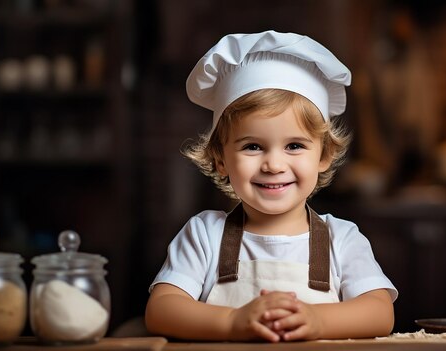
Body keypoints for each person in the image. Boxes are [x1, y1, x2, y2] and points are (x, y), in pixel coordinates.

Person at [145, 30, 397, 342]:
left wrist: (318, 320)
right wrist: (232, 321)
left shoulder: (341, 240)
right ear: (220, 158)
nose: (274, 165)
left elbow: (380, 312)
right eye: (252, 146)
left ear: (324, 155)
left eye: (294, 146)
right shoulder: (204, 236)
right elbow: (161, 309)